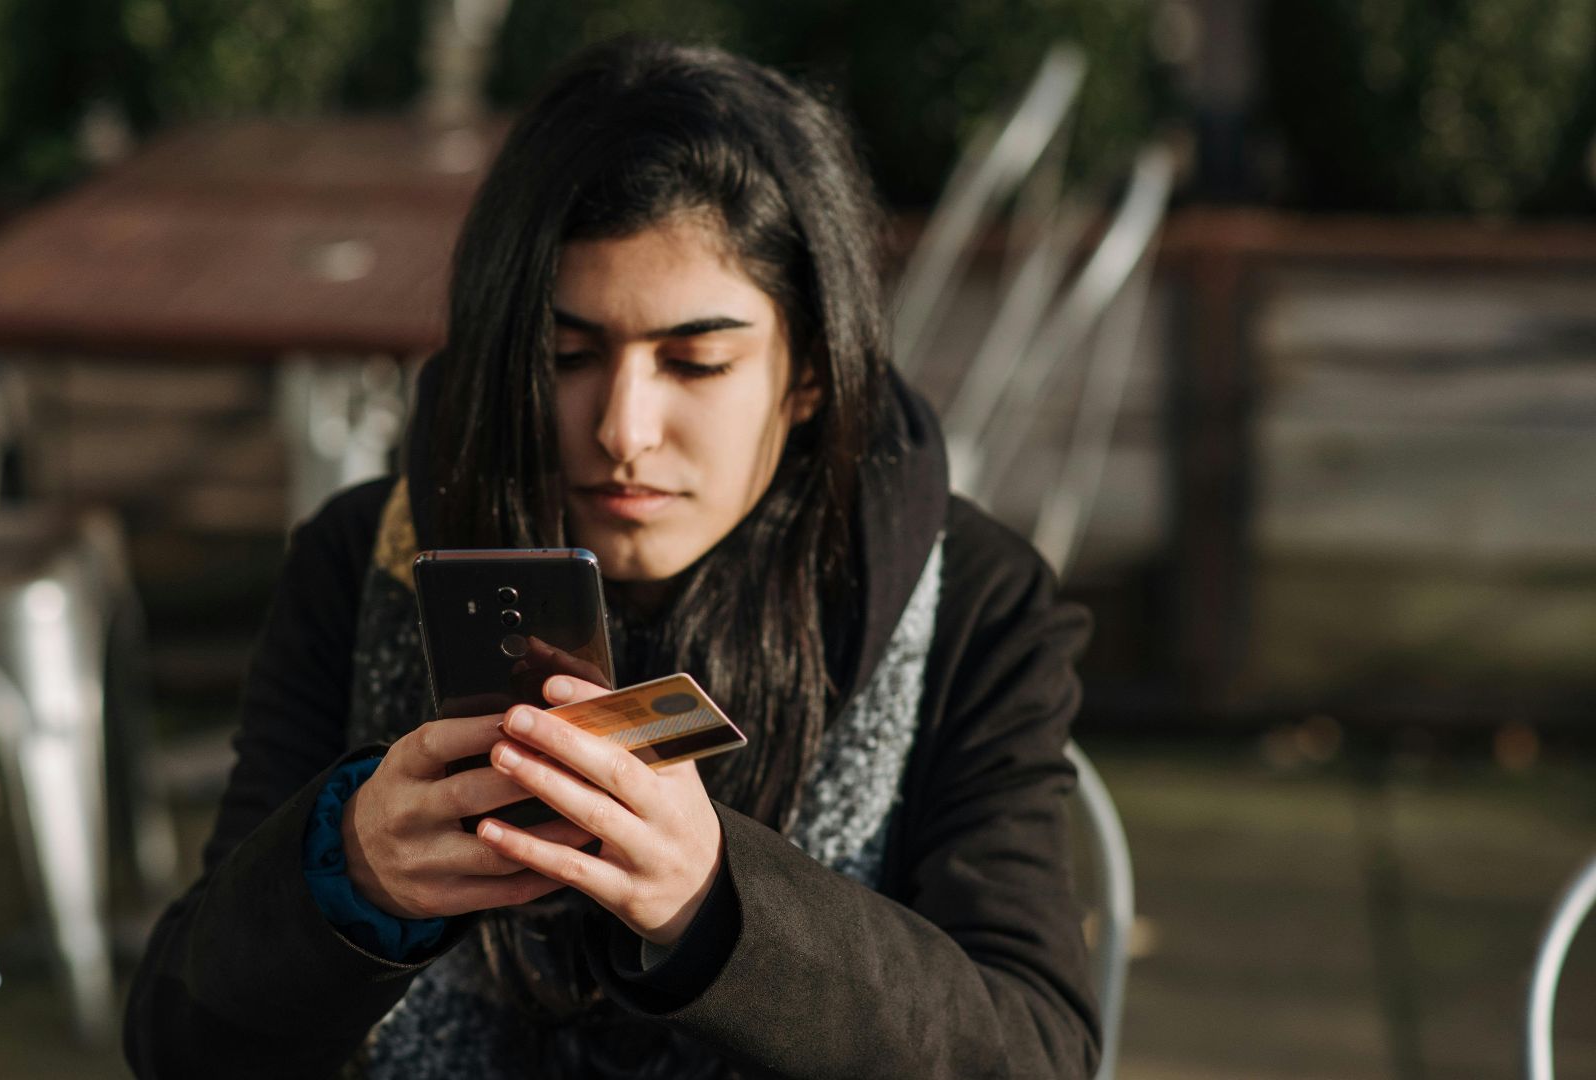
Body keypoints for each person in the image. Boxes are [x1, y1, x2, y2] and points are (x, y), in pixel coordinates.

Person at [124, 37, 1099, 1079]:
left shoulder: (968, 601)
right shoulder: (364, 561)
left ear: (808, 371)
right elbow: (182, 1045)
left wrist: (721, 908)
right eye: (565, 356)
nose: (624, 428)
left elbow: (1034, 1052)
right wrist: (346, 878)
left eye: (698, 361)